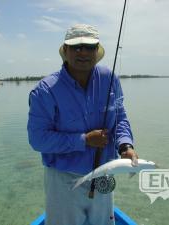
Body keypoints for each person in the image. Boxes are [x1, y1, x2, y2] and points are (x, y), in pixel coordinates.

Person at [27, 24, 138, 225]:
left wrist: (125, 146)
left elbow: (120, 116)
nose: (83, 52)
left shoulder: (109, 79)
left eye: (89, 47)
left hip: (103, 172)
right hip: (64, 179)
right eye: (76, 46)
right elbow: (38, 139)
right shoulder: (45, 90)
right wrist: (84, 140)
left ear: (97, 51)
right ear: (65, 51)